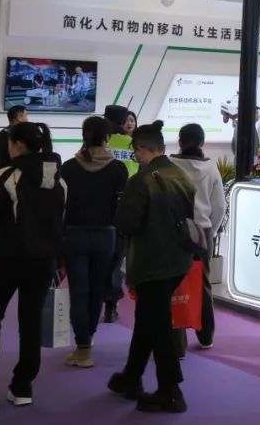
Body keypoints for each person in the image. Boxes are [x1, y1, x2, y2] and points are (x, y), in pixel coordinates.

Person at [108, 121, 195, 414]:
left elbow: (125, 223)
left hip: (151, 262)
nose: (136, 157)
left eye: (136, 152)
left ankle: (171, 392)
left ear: (142, 149)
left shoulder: (141, 181)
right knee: (148, 320)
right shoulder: (181, 175)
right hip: (178, 260)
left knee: (157, 325)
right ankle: (131, 377)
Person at [0, 122, 66, 406]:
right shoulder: (59, 180)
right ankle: (23, 387)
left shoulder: (6, 176)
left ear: (18, 145)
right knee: (31, 322)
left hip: (8, 259)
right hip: (43, 262)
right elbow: (62, 222)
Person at [61, 116, 129, 370]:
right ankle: (87, 342)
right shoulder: (118, 169)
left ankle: (83, 347)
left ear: (84, 135)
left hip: (74, 235)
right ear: (108, 137)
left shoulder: (68, 167)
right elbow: (121, 209)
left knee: (79, 292)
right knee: (97, 291)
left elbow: (61, 208)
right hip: (106, 236)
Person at [170, 124, 225, 352]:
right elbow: (219, 206)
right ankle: (206, 336)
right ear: (202, 143)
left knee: (175, 284)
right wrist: (211, 230)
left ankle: (178, 344)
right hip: (203, 233)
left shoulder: (170, 165)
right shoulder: (211, 168)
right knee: (203, 285)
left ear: (180, 141)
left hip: (175, 232)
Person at [102, 104, 135, 324]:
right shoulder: (132, 144)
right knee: (115, 259)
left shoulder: (100, 142)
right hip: (124, 208)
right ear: (123, 122)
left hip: (98, 209)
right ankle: (111, 306)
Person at [0, 105, 28, 171]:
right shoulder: (20, 134)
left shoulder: (2, 133)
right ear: (19, 117)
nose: (27, 119)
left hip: (3, 171)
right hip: (14, 172)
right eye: (26, 115)